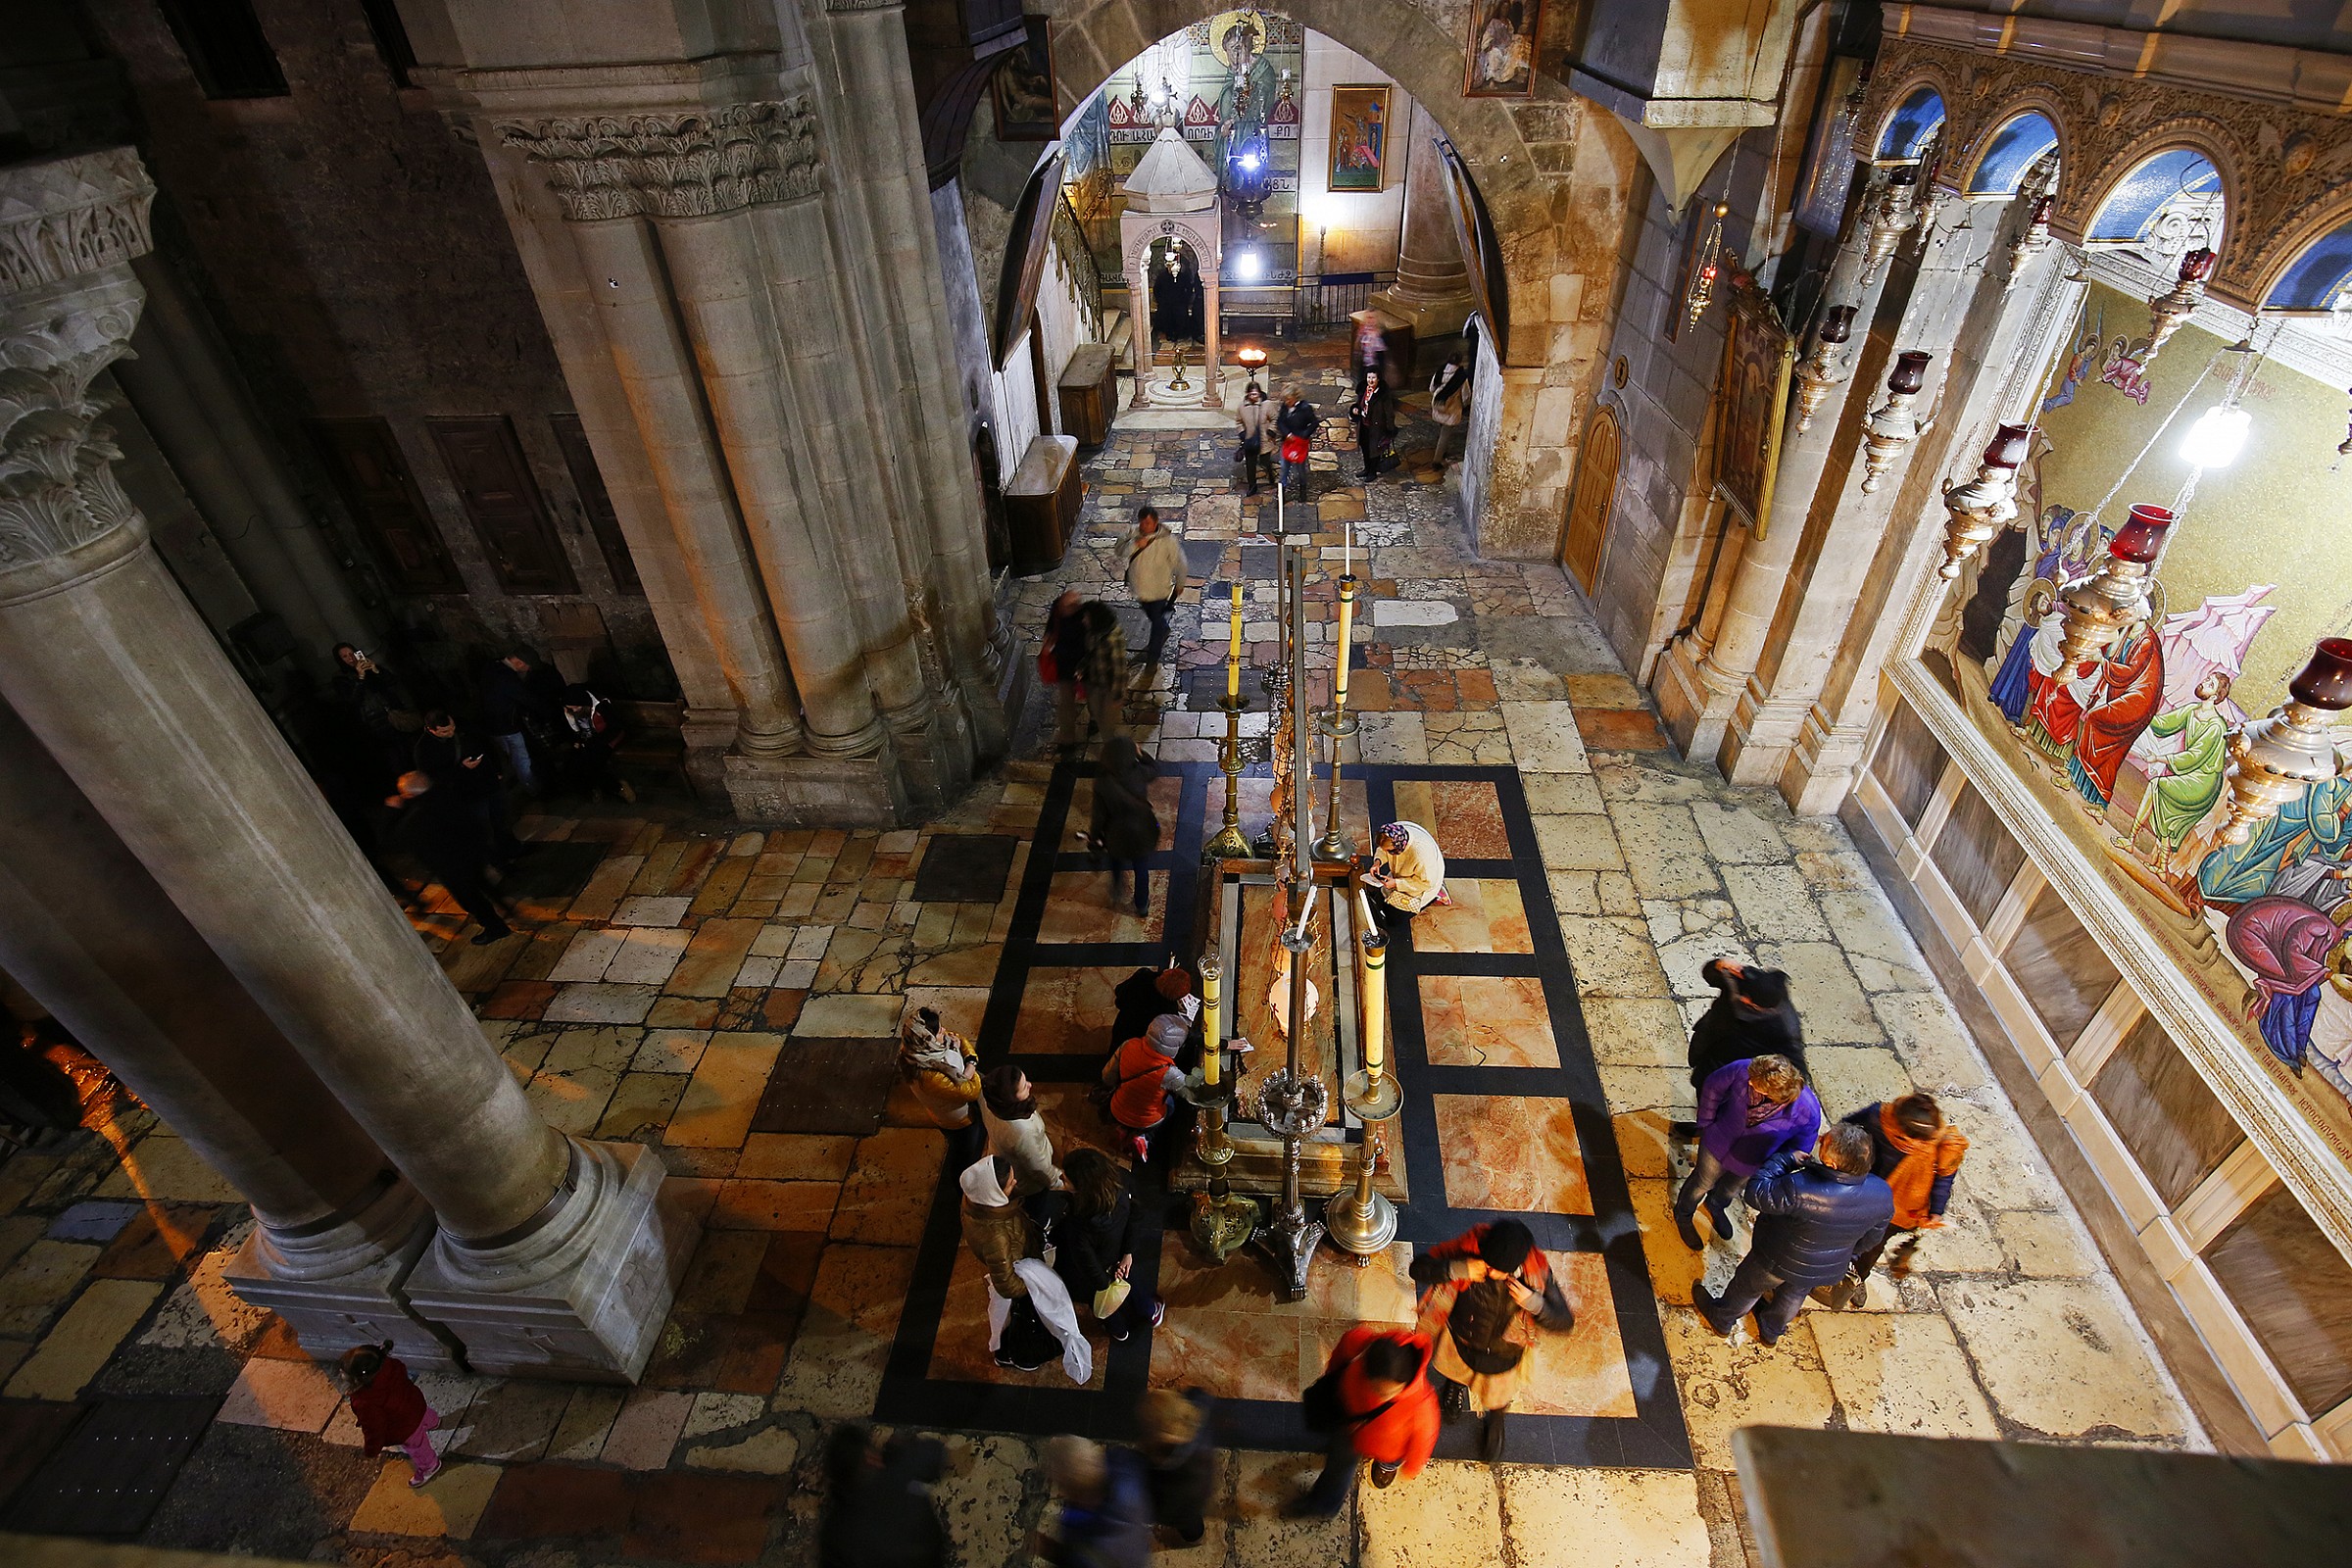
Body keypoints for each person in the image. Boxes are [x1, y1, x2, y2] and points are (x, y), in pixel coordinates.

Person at [1694, 1122, 1893, 1346]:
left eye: (1825, 1141)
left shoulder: (1800, 1187)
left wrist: (1785, 1160)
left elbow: (1756, 1194)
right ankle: (1771, 1331)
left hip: (1777, 1257)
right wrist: (1842, 1253)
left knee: (1748, 1288)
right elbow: (1872, 1239)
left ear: (1832, 1164)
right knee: (1793, 1296)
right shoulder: (1883, 1193)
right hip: (1821, 1269)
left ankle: (1722, 1318)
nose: (1820, 1139)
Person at [1409, 1219, 1574, 1461]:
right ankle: (1456, 1385)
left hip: (1503, 1354)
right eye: (1489, 1264)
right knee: (1455, 1371)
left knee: (1497, 1395)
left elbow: (1564, 1321)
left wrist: (1535, 1303)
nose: (1492, 1273)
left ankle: (1496, 1418)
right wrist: (1457, 1269)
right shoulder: (1466, 1250)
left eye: (1500, 1270)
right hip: (1462, 1339)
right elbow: (1418, 1269)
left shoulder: (1535, 1273)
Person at [1288, 1327, 1440, 1517]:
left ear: (1404, 1384)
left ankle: (1387, 1465)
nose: (1377, 1394)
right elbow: (1342, 1353)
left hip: (1387, 1447)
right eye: (1373, 1386)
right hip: (1349, 1428)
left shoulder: (1422, 1407)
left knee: (1382, 1460)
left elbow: (1423, 1442)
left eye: (1385, 1393)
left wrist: (1412, 1468)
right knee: (1338, 1470)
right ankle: (1323, 1506)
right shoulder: (1362, 1344)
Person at [1675, 1054, 1821, 1250]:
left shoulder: (1807, 1111)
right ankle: (1683, 1214)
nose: (1749, 1082)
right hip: (1717, 1142)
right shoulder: (1746, 1069)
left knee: (1730, 1190)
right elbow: (1713, 1086)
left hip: (1752, 1161)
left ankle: (1716, 1206)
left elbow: (1798, 1148)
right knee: (1702, 1183)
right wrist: (1707, 1122)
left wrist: (1769, 1167)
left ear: (1775, 1095)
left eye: (1756, 1084)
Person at [1832, 1093, 1969, 1301]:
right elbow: (1845, 1128)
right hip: (1860, 1189)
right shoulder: (1877, 1117)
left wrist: (1936, 1211)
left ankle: (1856, 1278)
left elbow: (1944, 1179)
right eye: (1912, 1138)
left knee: (1872, 1246)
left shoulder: (1943, 1144)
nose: (1917, 1143)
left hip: (1895, 1211)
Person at [1045, 1147, 1165, 1341]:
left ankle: (1118, 1330)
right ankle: (1150, 1311)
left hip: (1099, 1269)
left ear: (1082, 1188)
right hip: (1120, 1253)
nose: (1061, 1178)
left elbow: (1085, 1260)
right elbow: (1136, 1216)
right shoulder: (1122, 1179)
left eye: (1066, 1179)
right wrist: (1128, 1253)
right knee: (1131, 1280)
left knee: (1104, 1302)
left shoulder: (1079, 1221)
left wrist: (1104, 1284)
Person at [384, 771, 514, 945]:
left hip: (451, 867)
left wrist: (393, 811)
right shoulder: (445, 793)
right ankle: (505, 907)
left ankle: (496, 927)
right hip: (472, 854)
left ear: (409, 794)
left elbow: (393, 842)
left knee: (471, 899)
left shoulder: (416, 818)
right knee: (483, 883)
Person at [958, 1155, 1058, 1372]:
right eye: (1010, 1182)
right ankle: (1009, 1354)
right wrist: (1032, 1286)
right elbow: (1007, 1285)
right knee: (1016, 1320)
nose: (1015, 1182)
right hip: (1019, 1276)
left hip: (1013, 1259)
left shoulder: (975, 1200)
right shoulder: (996, 1236)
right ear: (995, 1192)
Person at [820, 1424, 949, 1568]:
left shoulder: (835, 1531)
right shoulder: (899, 1479)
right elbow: (933, 1452)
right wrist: (896, 1453)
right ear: (869, 1457)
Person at [414, 710, 523, 867]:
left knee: (501, 819)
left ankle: (513, 849)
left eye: (452, 727)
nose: (451, 732)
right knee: (484, 829)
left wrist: (497, 769)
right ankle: (499, 863)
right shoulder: (424, 750)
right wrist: (461, 769)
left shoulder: (464, 725)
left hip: (488, 781)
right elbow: (433, 778)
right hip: (468, 793)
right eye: (445, 731)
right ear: (431, 730)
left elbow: (486, 744)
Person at [1033, 1436, 1152, 1568]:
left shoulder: (1088, 1541)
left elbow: (1079, 1561)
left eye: (1060, 1484)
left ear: (1070, 1491)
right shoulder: (1127, 1468)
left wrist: (1049, 1551)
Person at [1687, 957, 1803, 1093]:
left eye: (1750, 1001)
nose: (1742, 999)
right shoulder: (1744, 979)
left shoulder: (1786, 1028)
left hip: (1733, 1068)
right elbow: (1712, 978)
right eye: (1745, 995)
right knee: (1700, 1083)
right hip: (1709, 1044)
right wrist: (1717, 965)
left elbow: (1796, 1068)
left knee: (1712, 1095)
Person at [341, 1341, 440, 1488]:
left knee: (417, 1446)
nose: (341, 1373)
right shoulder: (391, 1365)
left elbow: (375, 1428)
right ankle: (434, 1422)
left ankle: (430, 1466)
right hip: (415, 1403)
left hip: (405, 1427)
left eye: (344, 1373)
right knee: (424, 1415)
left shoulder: (365, 1402)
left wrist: (371, 1449)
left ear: (359, 1378)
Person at [898, 1003, 983, 1165]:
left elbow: (959, 1038)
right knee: (966, 1151)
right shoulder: (930, 1076)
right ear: (927, 1039)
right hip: (958, 1121)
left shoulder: (918, 1048)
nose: (944, 1031)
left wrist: (967, 1067)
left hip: (957, 1105)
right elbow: (971, 1091)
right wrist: (971, 1063)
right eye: (938, 1031)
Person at [1102, 1012, 1187, 1171]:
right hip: (1147, 1120)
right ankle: (1143, 1136)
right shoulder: (1169, 1072)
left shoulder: (1128, 1045)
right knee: (1171, 1104)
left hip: (1117, 1107)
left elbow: (1107, 1077)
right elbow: (1191, 1091)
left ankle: (1122, 1129)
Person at [1137, 1388, 1216, 1545]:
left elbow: (1162, 1508)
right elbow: (1199, 1395)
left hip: (1183, 1509)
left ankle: (1194, 1539)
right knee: (1192, 1519)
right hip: (1199, 1491)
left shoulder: (1165, 1471)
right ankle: (1196, 1536)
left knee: (1189, 1524)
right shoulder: (1196, 1416)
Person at [331, 643, 419, 784]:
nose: (350, 658)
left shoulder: (370, 667)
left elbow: (393, 682)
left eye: (352, 654)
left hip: (395, 715)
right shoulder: (341, 679)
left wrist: (376, 671)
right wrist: (360, 678)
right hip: (375, 723)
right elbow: (352, 702)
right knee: (395, 759)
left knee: (410, 750)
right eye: (345, 656)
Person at [1091, 735, 1158, 918]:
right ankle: (1142, 905)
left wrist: (1094, 837)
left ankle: (1116, 889)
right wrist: (1141, 754)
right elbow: (1155, 769)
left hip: (1116, 834)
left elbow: (1098, 816)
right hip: (1142, 831)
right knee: (1141, 868)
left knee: (1115, 861)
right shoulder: (1139, 773)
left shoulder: (1102, 783)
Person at [981, 1064, 1061, 1194]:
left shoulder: (991, 1099)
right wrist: (1058, 1182)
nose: (1030, 1085)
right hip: (1026, 1178)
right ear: (1011, 1099)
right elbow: (1038, 1168)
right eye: (1024, 1087)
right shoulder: (1023, 1132)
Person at [479, 649, 550, 796]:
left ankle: (527, 784)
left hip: (492, 724)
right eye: (528, 666)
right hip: (507, 727)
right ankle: (534, 790)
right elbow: (526, 698)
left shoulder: (492, 667)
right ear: (519, 663)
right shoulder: (506, 678)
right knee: (522, 760)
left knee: (513, 756)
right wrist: (548, 710)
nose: (528, 670)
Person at [1124, 508, 1185, 669]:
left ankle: (1152, 659)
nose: (1144, 526)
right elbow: (1119, 550)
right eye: (1142, 523)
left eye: (1148, 523)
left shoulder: (1168, 541)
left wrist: (1180, 582)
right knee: (1155, 618)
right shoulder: (1132, 534)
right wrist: (1134, 544)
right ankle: (1164, 628)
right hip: (1140, 590)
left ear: (1156, 522)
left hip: (1159, 590)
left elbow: (1180, 563)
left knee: (1156, 622)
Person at [555, 683, 634, 802]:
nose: (574, 711)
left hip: (606, 738)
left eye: (576, 708)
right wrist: (577, 741)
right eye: (571, 709)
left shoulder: (601, 705)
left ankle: (618, 788)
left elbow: (614, 728)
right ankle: (592, 788)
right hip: (587, 741)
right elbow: (572, 730)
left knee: (592, 762)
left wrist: (591, 743)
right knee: (574, 763)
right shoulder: (569, 711)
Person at [1363, 820, 1446, 926]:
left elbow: (1427, 883)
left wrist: (1397, 883)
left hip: (1423, 884)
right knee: (1383, 899)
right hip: (1403, 874)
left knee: (1395, 921)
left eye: (1389, 851)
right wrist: (1378, 862)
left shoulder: (1421, 855)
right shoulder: (1394, 833)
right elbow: (1382, 849)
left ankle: (1437, 895)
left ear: (1399, 846)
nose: (1387, 853)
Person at [1109, 962, 1198, 1058]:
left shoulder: (1143, 976)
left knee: (1114, 1056)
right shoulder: (1168, 1011)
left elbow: (1119, 992)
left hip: (1123, 1026)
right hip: (1141, 1044)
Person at [1043, 590, 1092, 757]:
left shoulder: (1084, 617)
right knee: (1066, 704)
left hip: (1083, 666)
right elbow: (1050, 631)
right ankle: (1068, 741)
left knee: (1091, 695)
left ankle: (1094, 720)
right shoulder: (1057, 612)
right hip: (1065, 666)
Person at [1078, 600, 1130, 753]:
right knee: (1094, 708)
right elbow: (1090, 653)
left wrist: (1117, 697)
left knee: (1107, 724)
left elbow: (1119, 670)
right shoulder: (1093, 632)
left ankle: (1113, 752)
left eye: (1086, 617)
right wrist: (1081, 667)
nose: (1083, 620)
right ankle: (1095, 721)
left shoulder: (1112, 639)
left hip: (1106, 687)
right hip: (1093, 679)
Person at [1349, 368, 1398, 481]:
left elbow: (1389, 412)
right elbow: (1359, 404)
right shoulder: (1364, 390)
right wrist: (1356, 409)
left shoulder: (1383, 394)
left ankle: (1372, 472)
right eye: (1369, 377)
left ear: (1378, 379)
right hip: (1364, 425)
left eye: (1373, 378)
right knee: (1365, 448)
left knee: (1374, 451)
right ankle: (1367, 469)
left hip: (1376, 427)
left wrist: (1390, 428)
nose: (1371, 380)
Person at [1276, 384, 1317, 504]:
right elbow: (1280, 422)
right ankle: (1282, 492)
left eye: (1288, 399)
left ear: (1295, 397)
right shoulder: (1285, 407)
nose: (1287, 402)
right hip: (1287, 442)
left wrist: (1304, 435)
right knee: (1284, 468)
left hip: (1300, 444)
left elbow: (1314, 423)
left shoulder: (1305, 409)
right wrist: (1287, 433)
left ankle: (1303, 491)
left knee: (1300, 469)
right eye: (1285, 400)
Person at [1429, 356, 1470, 466]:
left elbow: (1432, 388)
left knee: (1442, 429)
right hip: (1451, 409)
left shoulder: (1440, 371)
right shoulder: (1461, 377)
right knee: (1444, 436)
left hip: (1438, 406)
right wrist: (1464, 405)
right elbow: (1466, 396)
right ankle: (1437, 461)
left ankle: (1443, 451)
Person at [1236, 383, 1275, 496]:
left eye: (1255, 394)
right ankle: (1252, 486)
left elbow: (1274, 418)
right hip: (1250, 441)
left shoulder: (1267, 405)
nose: (1253, 396)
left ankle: (1270, 475)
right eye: (1251, 394)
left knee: (1265, 461)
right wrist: (1242, 432)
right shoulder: (1242, 407)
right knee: (1250, 465)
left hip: (1264, 440)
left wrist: (1271, 431)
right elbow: (1239, 421)